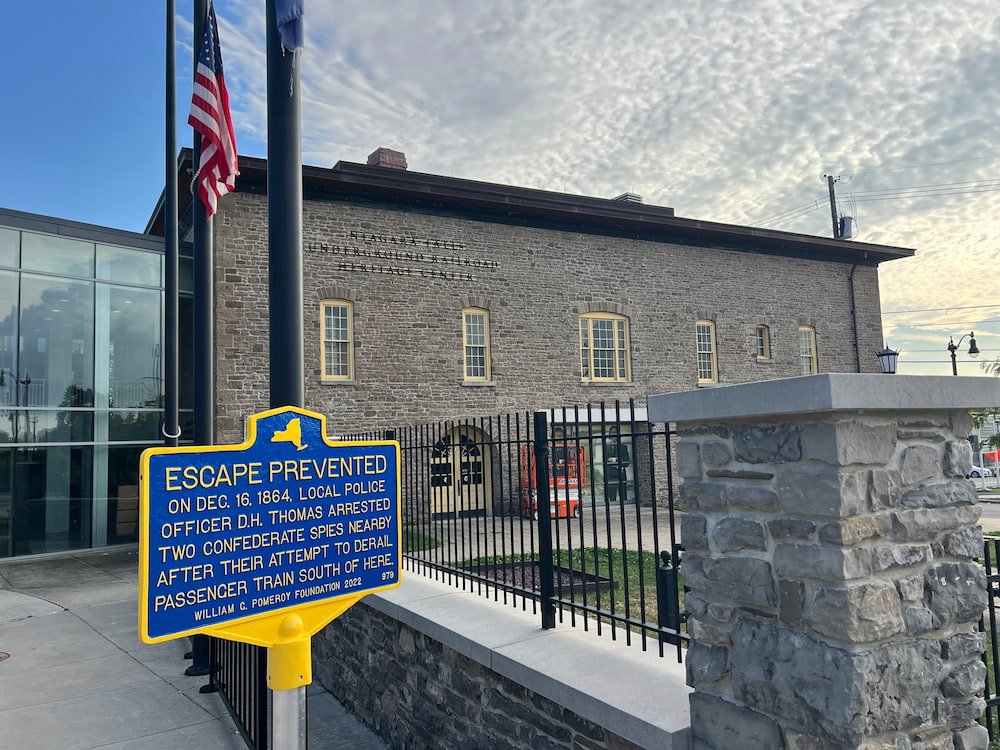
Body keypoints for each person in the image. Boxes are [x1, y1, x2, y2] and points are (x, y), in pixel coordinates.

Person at [603, 427, 631, 503]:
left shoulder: (623, 447)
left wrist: (617, 460)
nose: (614, 434)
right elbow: (604, 461)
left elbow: (626, 462)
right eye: (612, 432)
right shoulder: (606, 447)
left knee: (623, 497)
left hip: (621, 475)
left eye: (615, 432)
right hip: (611, 475)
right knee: (612, 497)